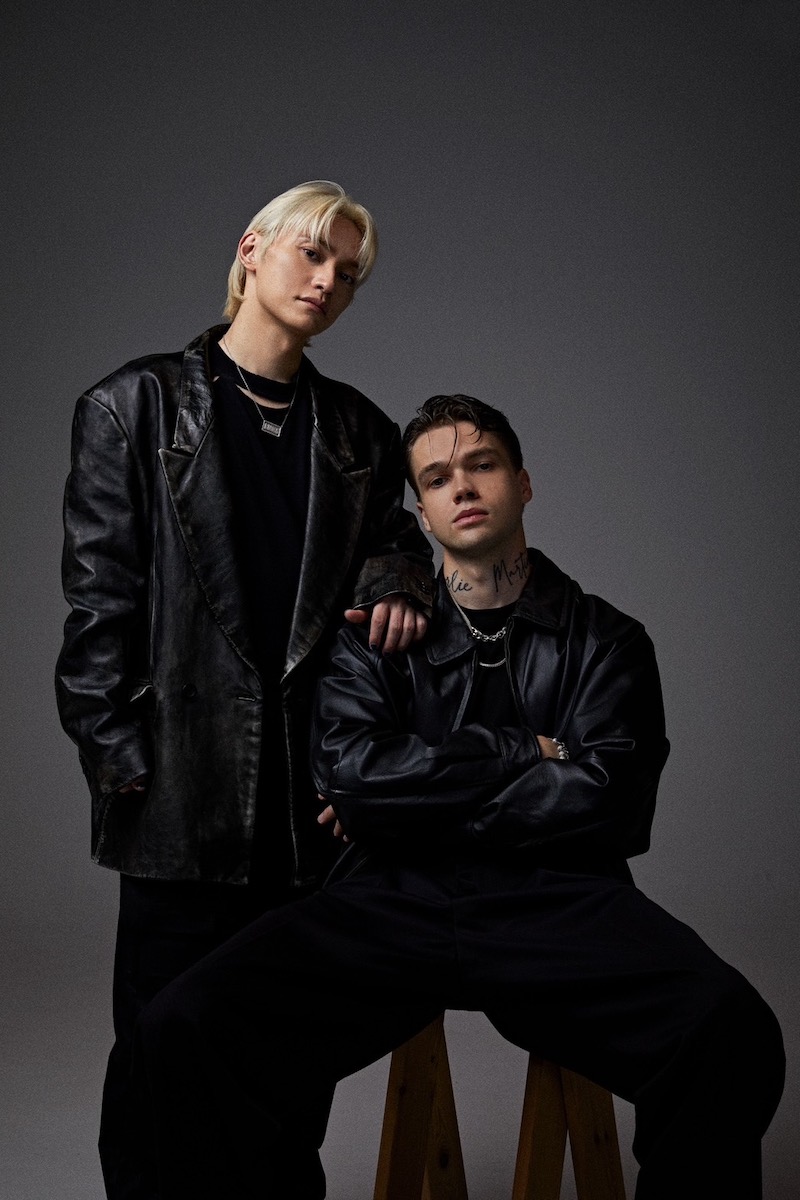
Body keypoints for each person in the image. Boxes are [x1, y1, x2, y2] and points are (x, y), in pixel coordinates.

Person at [135, 395, 784, 1199]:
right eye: (438, 478)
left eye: (482, 465)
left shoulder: (605, 640)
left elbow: (611, 803)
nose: (463, 487)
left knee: (730, 1029)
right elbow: (355, 781)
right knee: (183, 1026)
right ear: (422, 511)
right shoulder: (369, 639)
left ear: (523, 482)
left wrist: (412, 800)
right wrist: (525, 752)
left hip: (559, 902)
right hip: (389, 901)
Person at [55, 180, 433, 1200]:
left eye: (347, 274)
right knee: (161, 1054)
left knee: (284, 1069)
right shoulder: (132, 408)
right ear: (252, 248)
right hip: (181, 793)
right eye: (313, 254)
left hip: (311, 805)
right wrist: (123, 763)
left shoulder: (357, 432)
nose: (327, 282)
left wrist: (398, 583)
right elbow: (99, 605)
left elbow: (400, 546)